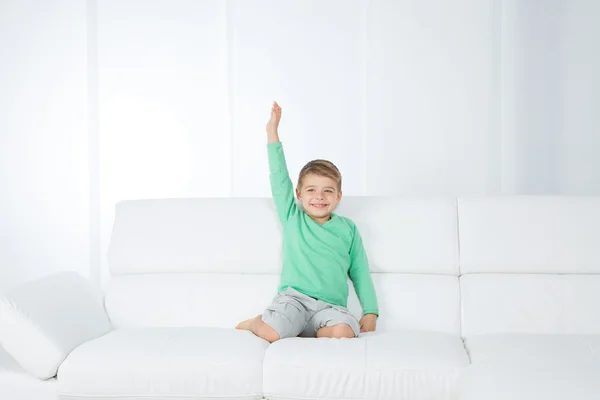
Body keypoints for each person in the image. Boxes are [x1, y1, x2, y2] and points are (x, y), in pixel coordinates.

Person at [235, 101, 378, 342]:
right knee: (272, 332)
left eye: (328, 191)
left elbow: (360, 271)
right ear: (299, 194)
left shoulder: (347, 229)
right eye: (311, 190)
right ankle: (257, 322)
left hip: (332, 308)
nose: (319, 197)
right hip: (294, 301)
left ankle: (305, 331)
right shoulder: (293, 217)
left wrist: (371, 311)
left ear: (339, 196)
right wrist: (273, 133)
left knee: (345, 332)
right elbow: (279, 178)